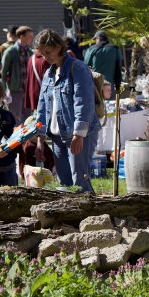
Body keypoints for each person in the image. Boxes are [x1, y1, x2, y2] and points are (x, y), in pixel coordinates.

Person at [34, 29, 101, 193]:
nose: (46, 57)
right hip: (57, 136)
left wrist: (79, 135)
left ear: (58, 47)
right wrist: (40, 139)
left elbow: (83, 103)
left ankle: (89, 216)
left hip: (77, 136)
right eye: (42, 54)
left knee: (80, 183)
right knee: (64, 184)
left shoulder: (77, 68)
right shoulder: (48, 74)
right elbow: (42, 107)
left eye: (48, 52)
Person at [0, 25, 34, 123]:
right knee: (14, 118)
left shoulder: (29, 52)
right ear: (22, 37)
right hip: (14, 91)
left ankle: (27, 138)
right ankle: (15, 138)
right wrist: (4, 91)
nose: (32, 39)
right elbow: (3, 73)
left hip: (27, 91)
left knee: (28, 119)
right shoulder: (10, 52)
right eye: (29, 36)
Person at [84, 30, 123, 95]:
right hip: (110, 86)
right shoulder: (115, 49)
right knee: (110, 104)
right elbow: (119, 67)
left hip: (96, 84)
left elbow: (85, 65)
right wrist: (118, 86)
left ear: (98, 38)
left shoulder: (91, 49)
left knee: (97, 103)